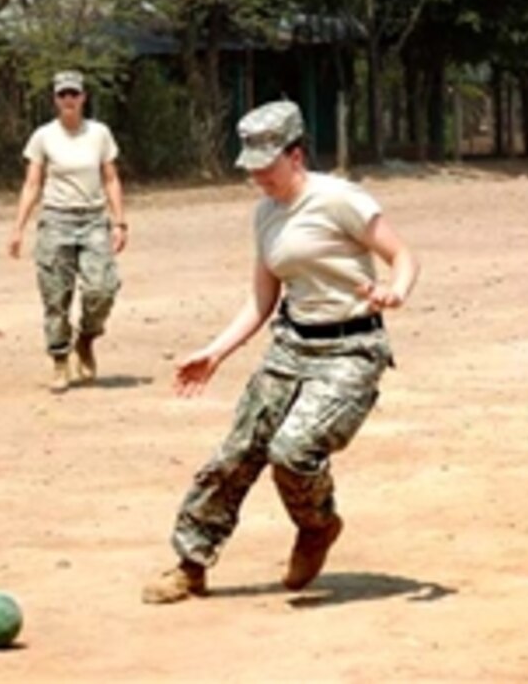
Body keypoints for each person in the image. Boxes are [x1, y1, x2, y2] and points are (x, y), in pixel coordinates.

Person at [142, 100, 419, 604]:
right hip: (291, 346)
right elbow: (262, 298)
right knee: (235, 455)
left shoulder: (341, 199)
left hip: (351, 349)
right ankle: (190, 564)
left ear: (296, 155)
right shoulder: (265, 213)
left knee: (292, 452)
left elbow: (401, 256)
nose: (258, 177)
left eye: (266, 166)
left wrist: (396, 290)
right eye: (251, 168)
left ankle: (317, 527)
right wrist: (215, 352)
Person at [8, 70, 127, 393]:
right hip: (56, 220)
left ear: (83, 97)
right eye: (63, 95)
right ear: (55, 100)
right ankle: (60, 359)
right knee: (55, 297)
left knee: (102, 288)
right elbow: (32, 183)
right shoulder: (43, 137)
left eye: (74, 94)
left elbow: (111, 178)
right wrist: (18, 228)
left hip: (92, 220)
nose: (69, 100)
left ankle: (86, 338)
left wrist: (119, 222)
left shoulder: (99, 134)